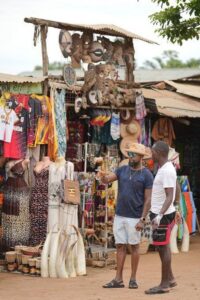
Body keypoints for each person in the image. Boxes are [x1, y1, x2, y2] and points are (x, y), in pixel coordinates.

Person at [98, 142, 154, 289]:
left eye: (133, 154)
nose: (130, 156)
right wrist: (102, 177)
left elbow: (148, 199)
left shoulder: (147, 175)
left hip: (135, 217)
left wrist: (143, 219)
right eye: (129, 153)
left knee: (134, 247)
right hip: (120, 215)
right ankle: (118, 279)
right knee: (120, 246)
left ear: (141, 157)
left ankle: (133, 279)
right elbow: (107, 179)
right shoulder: (122, 170)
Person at [145, 141, 177, 295]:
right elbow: (174, 189)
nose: (151, 154)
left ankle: (164, 284)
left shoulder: (167, 171)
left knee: (163, 248)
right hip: (160, 213)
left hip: (162, 215)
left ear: (158, 153)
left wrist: (159, 215)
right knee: (162, 246)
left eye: (152, 152)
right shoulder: (164, 168)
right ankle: (170, 278)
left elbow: (170, 195)